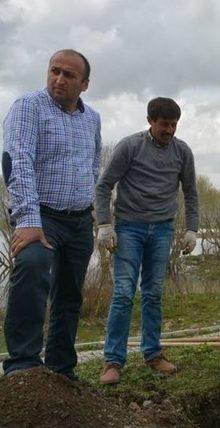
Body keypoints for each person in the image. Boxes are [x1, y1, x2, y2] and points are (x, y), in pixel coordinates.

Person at [1, 49, 101, 379]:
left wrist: (91, 208)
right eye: (54, 71)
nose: (59, 79)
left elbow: (93, 163)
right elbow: (18, 162)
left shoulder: (92, 119)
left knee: (70, 293)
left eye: (69, 75)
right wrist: (28, 220)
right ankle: (24, 364)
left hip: (78, 220)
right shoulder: (28, 107)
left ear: (84, 84)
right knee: (31, 268)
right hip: (40, 216)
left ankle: (61, 367)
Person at [95, 97, 199, 385]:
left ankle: (153, 354)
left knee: (153, 293)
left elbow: (191, 192)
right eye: (164, 124)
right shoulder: (130, 147)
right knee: (124, 293)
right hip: (128, 228)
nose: (170, 130)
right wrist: (105, 224)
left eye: (174, 125)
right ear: (151, 121)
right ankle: (113, 361)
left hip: (163, 229)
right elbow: (104, 185)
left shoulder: (182, 152)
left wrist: (192, 229)